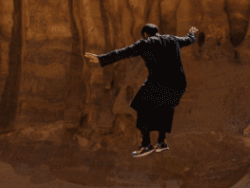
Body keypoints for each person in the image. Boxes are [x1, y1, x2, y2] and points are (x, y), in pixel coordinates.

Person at [85, 23, 199, 157]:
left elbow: (123, 52)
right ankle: (161, 141)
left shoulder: (145, 43)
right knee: (166, 107)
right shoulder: (172, 39)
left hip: (160, 81)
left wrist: (101, 59)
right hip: (178, 83)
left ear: (145, 34)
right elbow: (188, 39)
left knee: (140, 105)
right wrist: (192, 33)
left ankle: (146, 144)